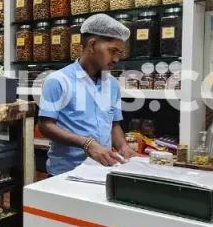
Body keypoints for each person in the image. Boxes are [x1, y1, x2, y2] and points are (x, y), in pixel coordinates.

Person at [38, 14, 138, 175]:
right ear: (92, 45)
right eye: (112, 51)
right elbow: (45, 125)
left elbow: (114, 124)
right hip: (66, 173)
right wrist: (87, 143)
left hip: (102, 170)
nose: (116, 58)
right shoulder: (58, 80)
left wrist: (123, 146)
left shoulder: (112, 84)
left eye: (119, 52)